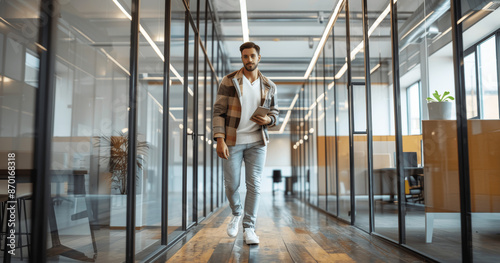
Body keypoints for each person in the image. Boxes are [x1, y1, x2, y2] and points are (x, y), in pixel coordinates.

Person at [212, 42, 279, 245]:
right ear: (242, 58)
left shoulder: (269, 85)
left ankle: (249, 228)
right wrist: (220, 139)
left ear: (259, 58)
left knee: (255, 185)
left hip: (258, 142)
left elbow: (275, 114)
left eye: (252, 56)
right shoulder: (229, 81)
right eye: (245, 57)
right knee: (231, 184)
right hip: (232, 141)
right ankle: (236, 213)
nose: (248, 60)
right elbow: (218, 112)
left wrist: (269, 120)